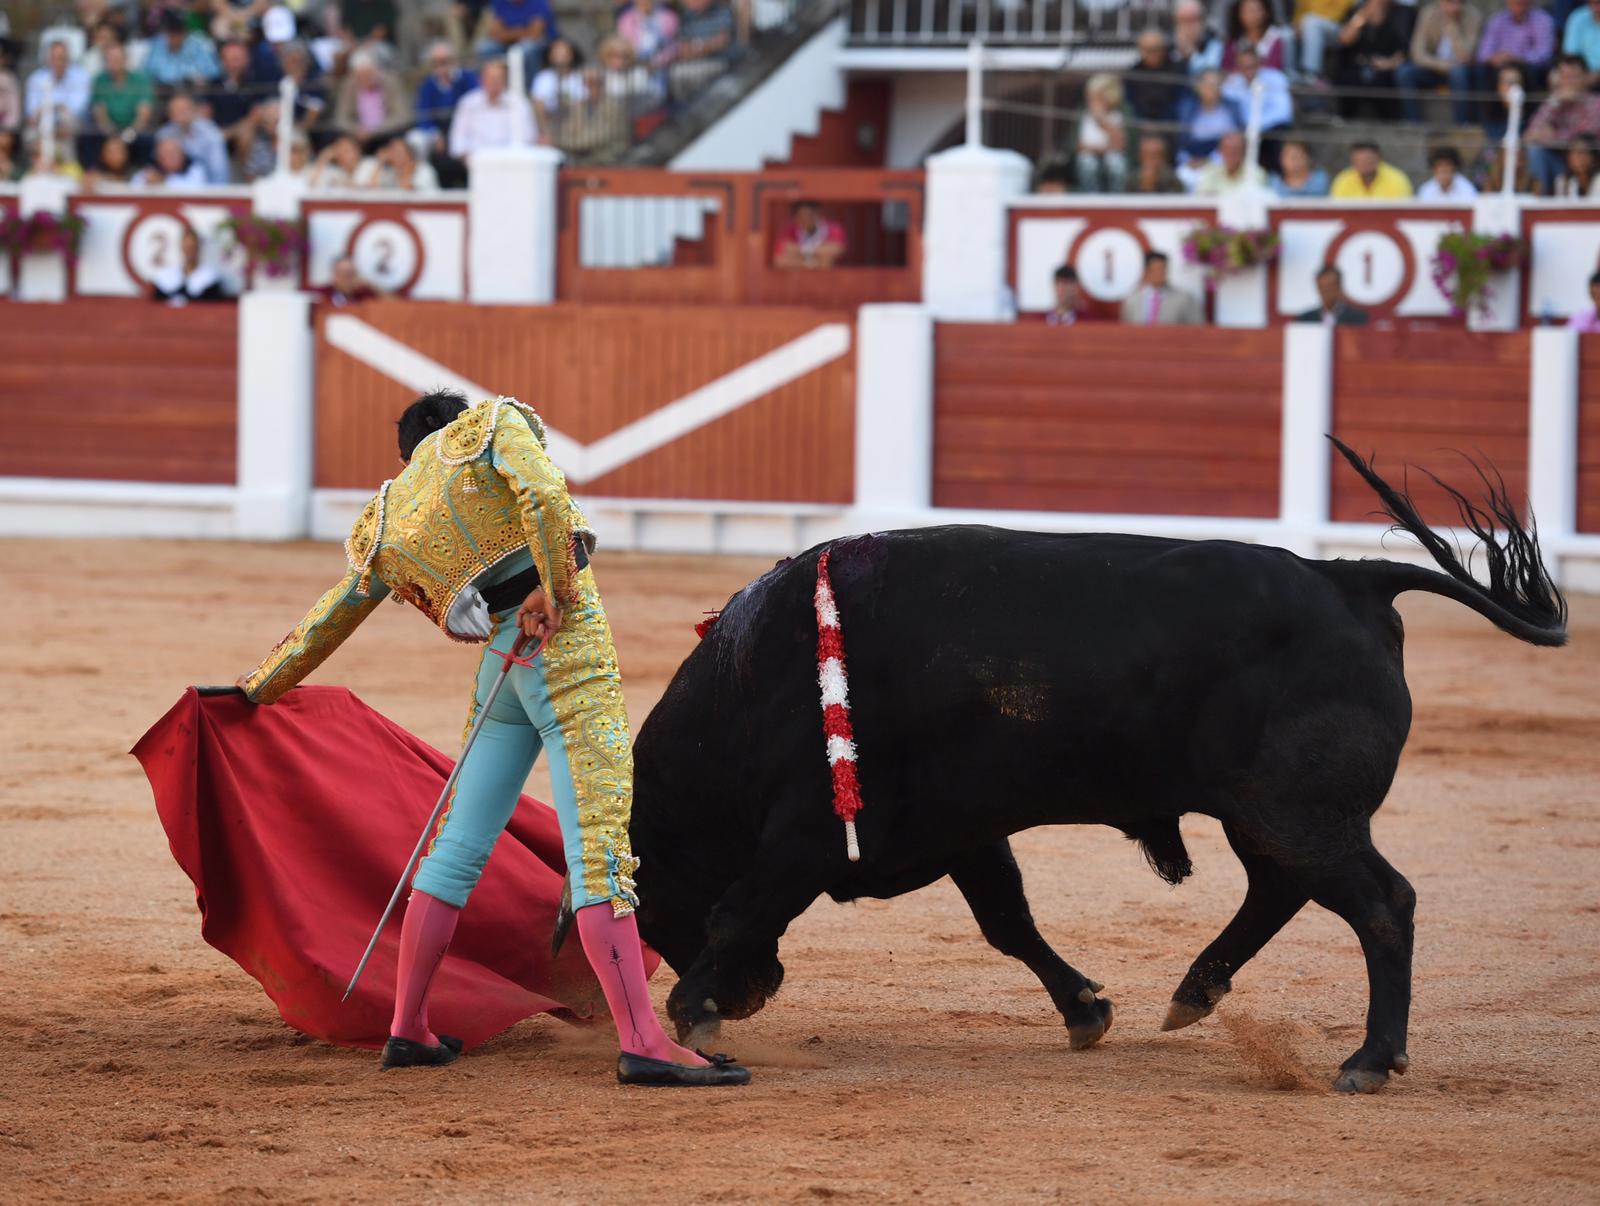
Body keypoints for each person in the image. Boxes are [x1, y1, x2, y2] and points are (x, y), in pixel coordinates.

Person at [235, 390, 753, 1087]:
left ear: (408, 457)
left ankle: (408, 1027)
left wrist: (255, 688)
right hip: (565, 650)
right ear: (455, 423)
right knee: (599, 846)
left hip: (502, 670)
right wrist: (554, 587)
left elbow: (331, 617)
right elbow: (543, 497)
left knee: (455, 847)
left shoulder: (388, 515)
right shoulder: (490, 427)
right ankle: (642, 1042)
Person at [1522, 56, 1600, 193]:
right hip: (1559, 163)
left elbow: (1584, 139)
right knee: (1535, 151)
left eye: (1574, 77)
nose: (1569, 82)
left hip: (1588, 165)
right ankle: (1540, 200)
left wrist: (1552, 135)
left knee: (1579, 154)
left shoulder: (1595, 103)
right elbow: (1530, 135)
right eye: (1565, 77)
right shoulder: (1554, 101)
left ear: (1585, 78)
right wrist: (1555, 102)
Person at [1397, 0, 1481, 125]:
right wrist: (1443, 65)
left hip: (1459, 72)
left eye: (1458, 2)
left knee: (1459, 74)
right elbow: (1417, 53)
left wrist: (1452, 28)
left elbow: (1466, 56)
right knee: (1404, 72)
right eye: (1449, 2)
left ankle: (1461, 124)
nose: (1454, 6)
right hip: (1433, 67)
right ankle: (1415, 123)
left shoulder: (1473, 16)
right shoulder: (1428, 13)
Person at [1334, 0, 1409, 121]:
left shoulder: (1401, 13)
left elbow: (1404, 51)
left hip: (1386, 68)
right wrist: (1359, 20)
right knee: (1350, 79)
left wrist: (1389, 63)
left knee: (1384, 82)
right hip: (1357, 66)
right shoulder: (1357, 11)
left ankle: (1391, 122)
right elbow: (1344, 40)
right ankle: (1345, 119)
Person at [448, 58, 533, 160]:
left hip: (512, 161)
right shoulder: (468, 103)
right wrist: (469, 159)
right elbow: (457, 141)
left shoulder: (518, 103)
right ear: (482, 80)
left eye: (499, 78)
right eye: (491, 78)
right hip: (476, 162)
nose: (494, 82)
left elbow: (529, 136)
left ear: (505, 80)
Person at [333, 47, 411, 141]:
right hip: (358, 135)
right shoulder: (348, 85)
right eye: (360, 76)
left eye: (368, 74)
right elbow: (341, 119)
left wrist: (374, 130)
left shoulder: (391, 82)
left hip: (388, 132)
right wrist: (357, 129)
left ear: (376, 71)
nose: (365, 79)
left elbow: (402, 116)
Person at [1474, 0, 1554, 91]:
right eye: (1515, 3)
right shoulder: (1497, 20)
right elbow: (1482, 53)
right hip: (1499, 66)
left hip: (1527, 66)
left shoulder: (1542, 20)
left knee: (1530, 71)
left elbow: (1544, 53)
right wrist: (1494, 58)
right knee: (1481, 71)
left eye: (1522, 2)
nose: (1519, 5)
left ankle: (1525, 100)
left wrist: (1518, 58)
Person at [414, 40, 477, 154]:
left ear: (453, 60)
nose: (440, 66)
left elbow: (477, 102)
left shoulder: (468, 77)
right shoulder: (427, 85)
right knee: (416, 139)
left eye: (444, 61)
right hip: (440, 129)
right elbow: (423, 115)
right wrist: (435, 135)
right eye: (435, 62)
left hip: (467, 126)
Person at [90, 40, 155, 148]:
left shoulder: (140, 80)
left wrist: (129, 134)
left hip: (134, 130)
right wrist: (112, 134)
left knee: (148, 140)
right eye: (110, 59)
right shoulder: (100, 80)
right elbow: (100, 113)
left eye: (117, 59)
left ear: (125, 60)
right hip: (108, 131)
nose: (114, 63)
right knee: (89, 138)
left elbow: (144, 113)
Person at [156, 92, 229, 184]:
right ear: (169, 115)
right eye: (175, 111)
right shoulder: (164, 134)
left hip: (206, 186)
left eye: (183, 110)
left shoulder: (211, 134)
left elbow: (219, 172)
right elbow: (157, 168)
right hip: (172, 185)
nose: (180, 114)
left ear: (194, 110)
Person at [671, 0, 736, 102]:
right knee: (676, 73)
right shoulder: (687, 18)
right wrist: (706, 45)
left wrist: (696, 47)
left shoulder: (722, 10)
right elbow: (684, 51)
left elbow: (721, 42)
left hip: (724, 64)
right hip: (699, 67)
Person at [25, 40, 92, 140]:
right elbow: (31, 111)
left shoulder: (81, 76)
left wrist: (51, 108)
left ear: (68, 59)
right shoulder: (35, 78)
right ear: (48, 59)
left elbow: (77, 110)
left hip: (69, 127)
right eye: (54, 58)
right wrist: (56, 108)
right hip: (41, 125)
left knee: (71, 122)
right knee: (30, 134)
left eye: (61, 58)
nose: (58, 63)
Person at [477, 0, 559, 78]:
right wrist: (521, 31)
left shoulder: (538, 2)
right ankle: (495, 83)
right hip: (506, 43)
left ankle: (531, 85)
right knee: (485, 48)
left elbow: (535, 34)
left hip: (539, 45)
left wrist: (507, 32)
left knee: (526, 49)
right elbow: (495, 33)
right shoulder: (499, 2)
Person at [1075, 74, 1127, 193]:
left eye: (1096, 98)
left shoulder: (1117, 115)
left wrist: (1103, 121)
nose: (1091, 102)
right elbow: (1079, 146)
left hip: (1111, 155)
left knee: (1115, 164)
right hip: (1089, 155)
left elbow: (1120, 144)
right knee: (1088, 164)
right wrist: (1097, 149)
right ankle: (1091, 197)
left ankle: (1116, 197)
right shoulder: (1085, 116)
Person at [1120, 250, 1202, 325]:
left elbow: (1197, 328)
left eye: (1163, 269)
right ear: (1146, 271)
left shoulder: (1184, 299)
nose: (1160, 274)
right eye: (1155, 270)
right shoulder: (1132, 301)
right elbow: (1127, 331)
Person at [144, 11, 221, 90]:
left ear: (185, 33)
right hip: (165, 91)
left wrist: (203, 79)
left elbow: (214, 72)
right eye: (172, 33)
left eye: (179, 33)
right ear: (166, 33)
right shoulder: (157, 45)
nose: (175, 38)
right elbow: (147, 74)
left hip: (193, 91)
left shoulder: (197, 45)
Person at [149, 227, 229, 302]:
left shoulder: (210, 278)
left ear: (198, 248)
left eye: (192, 247)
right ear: (181, 247)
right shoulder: (166, 277)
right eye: (186, 247)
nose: (189, 251)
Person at [1125, 30, 1181, 123]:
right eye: (1147, 50)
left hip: (1170, 122)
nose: (1152, 54)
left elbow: (1179, 101)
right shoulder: (1133, 73)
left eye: (1155, 49)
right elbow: (1129, 102)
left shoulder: (1176, 70)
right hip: (1141, 123)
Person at [1329, 139, 1414, 198]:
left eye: (1368, 160)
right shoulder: (1343, 180)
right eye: (1358, 160)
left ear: (1379, 158)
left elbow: (1402, 212)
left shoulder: (1397, 179)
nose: (1363, 164)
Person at [1223, 0, 1293, 72]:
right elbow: (1227, 68)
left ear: (1266, 12)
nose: (1252, 15)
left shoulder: (1274, 37)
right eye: (1248, 11)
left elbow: (1274, 68)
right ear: (1239, 14)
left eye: (1256, 10)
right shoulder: (1234, 40)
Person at [773, 200, 845, 269]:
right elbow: (779, 259)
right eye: (803, 216)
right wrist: (810, 263)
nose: (807, 219)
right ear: (796, 218)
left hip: (827, 275)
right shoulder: (790, 230)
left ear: (818, 213)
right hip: (801, 272)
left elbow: (836, 250)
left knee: (827, 259)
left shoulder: (832, 228)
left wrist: (800, 250)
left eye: (810, 215)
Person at [1194, 129, 1269, 194]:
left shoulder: (1256, 173)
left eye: (1236, 150)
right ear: (1220, 151)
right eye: (1227, 149)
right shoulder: (1209, 171)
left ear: (1244, 151)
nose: (1232, 153)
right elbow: (1202, 197)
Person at [1294, 0, 1354, 79]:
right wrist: (1298, 24)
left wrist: (1311, 21)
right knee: (1287, 34)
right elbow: (1300, 11)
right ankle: (1291, 74)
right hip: (1308, 26)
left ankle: (1311, 72)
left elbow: (1340, 14)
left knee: (1312, 22)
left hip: (1338, 29)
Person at [355, 134, 439, 190]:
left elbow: (408, 189)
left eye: (399, 152)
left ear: (409, 153)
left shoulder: (424, 169)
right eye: (392, 151)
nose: (395, 155)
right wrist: (380, 163)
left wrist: (405, 170)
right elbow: (372, 188)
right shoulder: (390, 171)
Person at [617, 0, 679, 72]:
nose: (644, 2)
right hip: (636, 66)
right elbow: (625, 45)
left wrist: (658, 61)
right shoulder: (626, 19)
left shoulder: (669, 17)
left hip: (665, 66)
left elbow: (673, 44)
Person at [1296, 264, 1369, 324]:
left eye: (1330, 287)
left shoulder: (1357, 319)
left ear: (1339, 287)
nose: (1326, 292)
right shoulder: (1305, 320)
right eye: (1322, 287)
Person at [136, 134, 208, 187]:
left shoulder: (196, 170)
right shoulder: (148, 172)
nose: (170, 157)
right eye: (165, 154)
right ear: (158, 157)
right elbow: (134, 189)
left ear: (182, 154)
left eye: (173, 153)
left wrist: (163, 183)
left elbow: (194, 192)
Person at [1174, 0, 1225, 75]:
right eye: (1184, 20)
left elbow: (1211, 72)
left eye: (1192, 20)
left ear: (1202, 21)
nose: (1188, 26)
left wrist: (1192, 55)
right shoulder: (1170, 44)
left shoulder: (1214, 42)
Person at [1565, 0, 1600, 90]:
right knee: (1556, 77)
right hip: (1581, 72)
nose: (1597, 8)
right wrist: (1580, 75)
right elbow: (1571, 54)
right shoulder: (1578, 17)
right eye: (1593, 3)